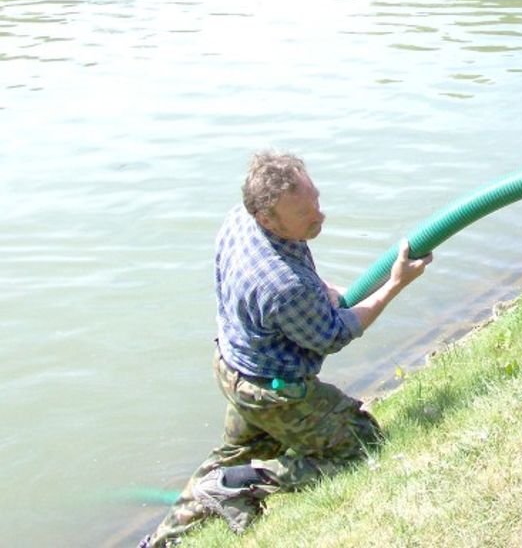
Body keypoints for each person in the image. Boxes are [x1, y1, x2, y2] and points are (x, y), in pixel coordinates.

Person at [141, 151, 432, 547]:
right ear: (267, 218)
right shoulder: (283, 286)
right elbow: (334, 334)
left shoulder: (239, 220)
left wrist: (323, 291)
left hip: (232, 365)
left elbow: (296, 286)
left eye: (316, 201)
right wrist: (396, 283)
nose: (320, 216)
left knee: (229, 455)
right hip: (273, 390)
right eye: (305, 214)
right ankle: (246, 484)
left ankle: (162, 541)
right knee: (363, 445)